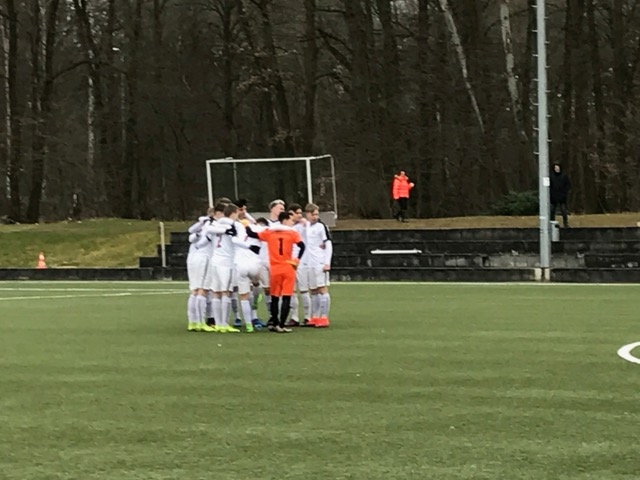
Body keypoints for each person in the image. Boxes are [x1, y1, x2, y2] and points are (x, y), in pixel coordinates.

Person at [247, 211, 305, 333]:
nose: (292, 223)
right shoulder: (292, 233)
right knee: (286, 296)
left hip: (275, 268)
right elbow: (302, 246)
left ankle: (274, 322)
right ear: (285, 220)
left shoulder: (269, 232)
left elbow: (251, 234)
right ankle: (282, 324)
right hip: (288, 267)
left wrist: (246, 224)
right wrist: (296, 260)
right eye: (291, 220)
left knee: (274, 297)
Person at [302, 203, 333, 328]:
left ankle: (324, 317)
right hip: (310, 262)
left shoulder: (321, 226)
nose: (315, 217)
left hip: (320, 262)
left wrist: (327, 262)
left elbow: (328, 244)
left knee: (322, 289)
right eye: (313, 214)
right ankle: (315, 317)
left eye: (316, 214)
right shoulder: (306, 226)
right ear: (307, 214)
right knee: (313, 290)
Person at [550, 163, 571, 228]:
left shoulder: (564, 176)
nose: (557, 169)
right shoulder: (551, 176)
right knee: (552, 210)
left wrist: (564, 192)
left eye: (558, 168)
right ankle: (552, 223)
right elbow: (550, 186)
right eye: (556, 168)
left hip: (562, 196)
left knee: (563, 210)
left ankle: (565, 223)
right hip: (553, 196)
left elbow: (568, 185)